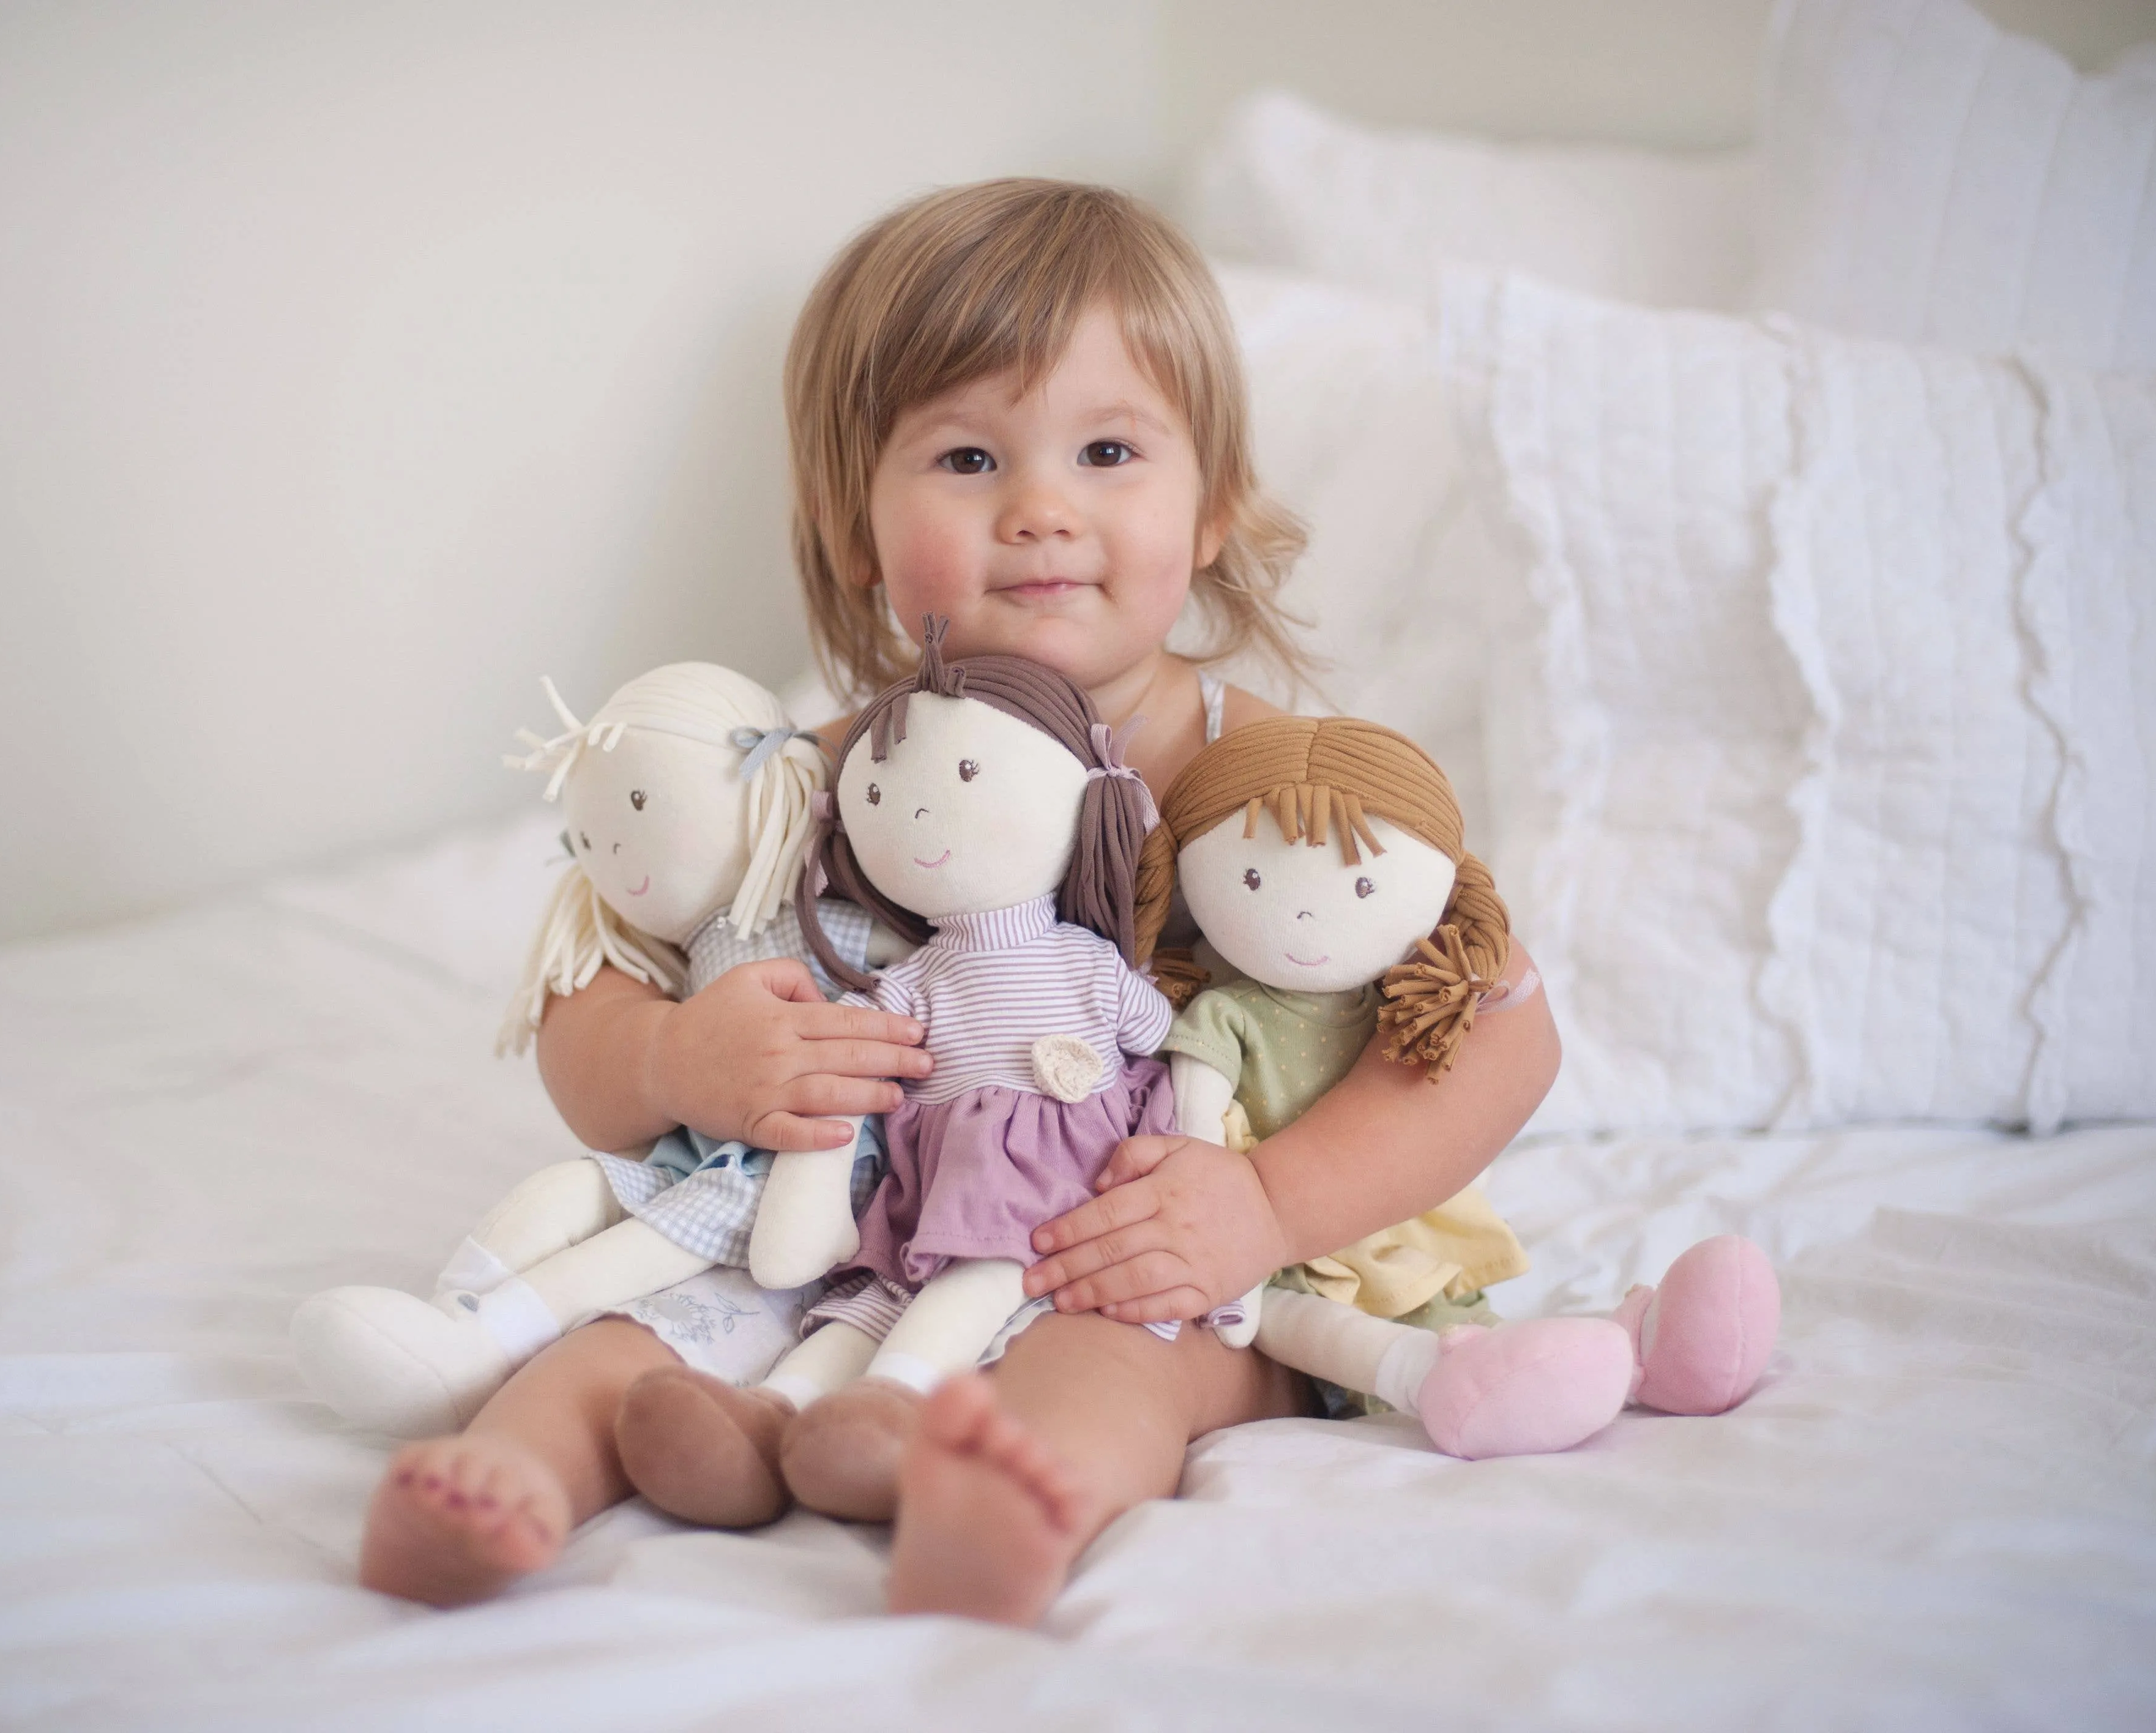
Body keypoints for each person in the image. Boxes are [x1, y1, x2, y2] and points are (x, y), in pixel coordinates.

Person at [360, 179, 1563, 1628]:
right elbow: (579, 999)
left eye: (1108, 450)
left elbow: (1499, 1035)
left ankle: (1000, 1514)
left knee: (1112, 1367)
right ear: (852, 523)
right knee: (628, 1337)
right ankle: (511, 1488)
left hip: (1140, 1247)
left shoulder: (1275, 792)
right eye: (968, 457)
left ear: (1213, 505)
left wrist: (1259, 1200)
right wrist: (681, 1060)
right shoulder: (814, 782)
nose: (1042, 509)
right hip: (837, 1242)